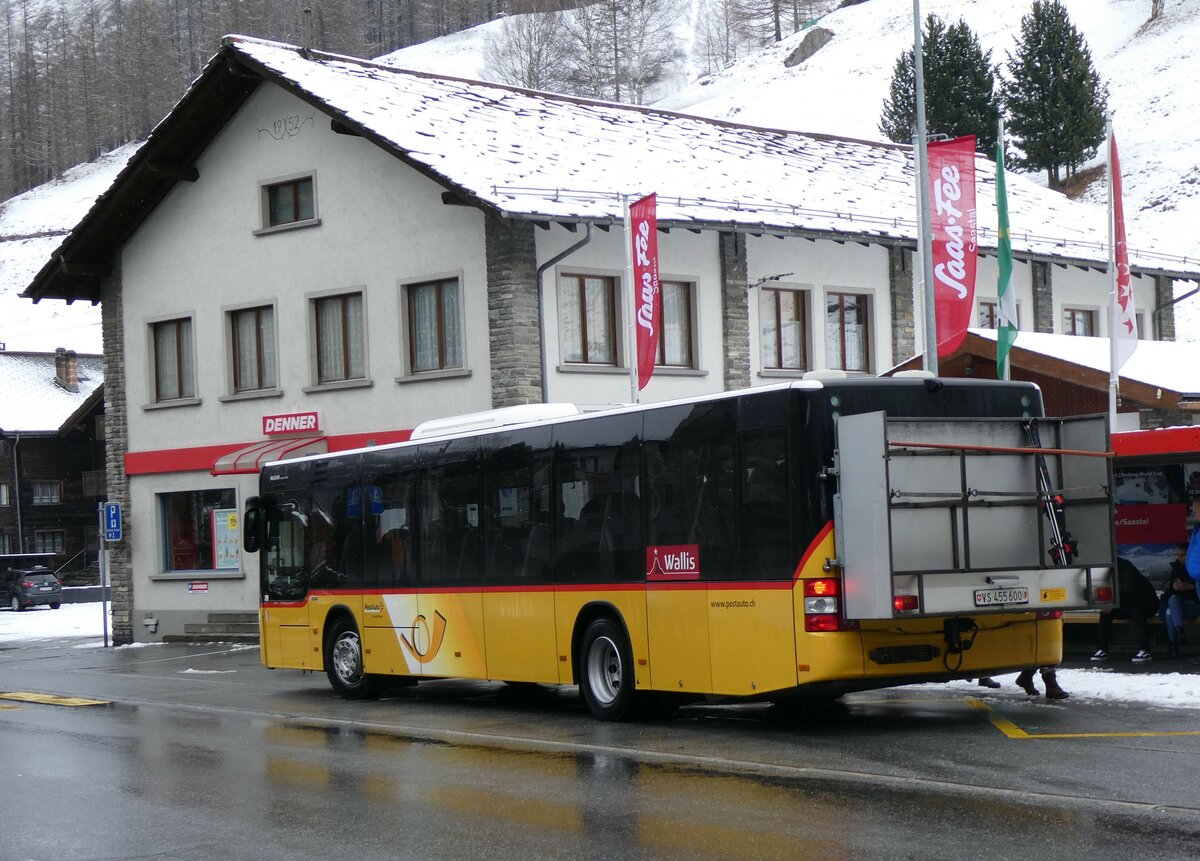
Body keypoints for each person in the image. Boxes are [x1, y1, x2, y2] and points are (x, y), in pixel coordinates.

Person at [1092, 557, 1159, 663]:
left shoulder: (1126, 566)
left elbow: (1129, 588)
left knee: (1137, 612)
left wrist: (1112, 600)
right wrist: (1108, 603)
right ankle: (1101, 649)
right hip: (1126, 604)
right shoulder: (1103, 570)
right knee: (1105, 613)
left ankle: (1144, 650)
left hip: (1146, 603)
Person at [1163, 498, 1200, 657]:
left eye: (1195, 509)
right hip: (1187, 594)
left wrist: (1188, 586)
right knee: (1171, 605)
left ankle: (1176, 638)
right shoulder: (1197, 529)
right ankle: (1177, 638)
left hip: (1193, 599)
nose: (1193, 512)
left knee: (1172, 610)